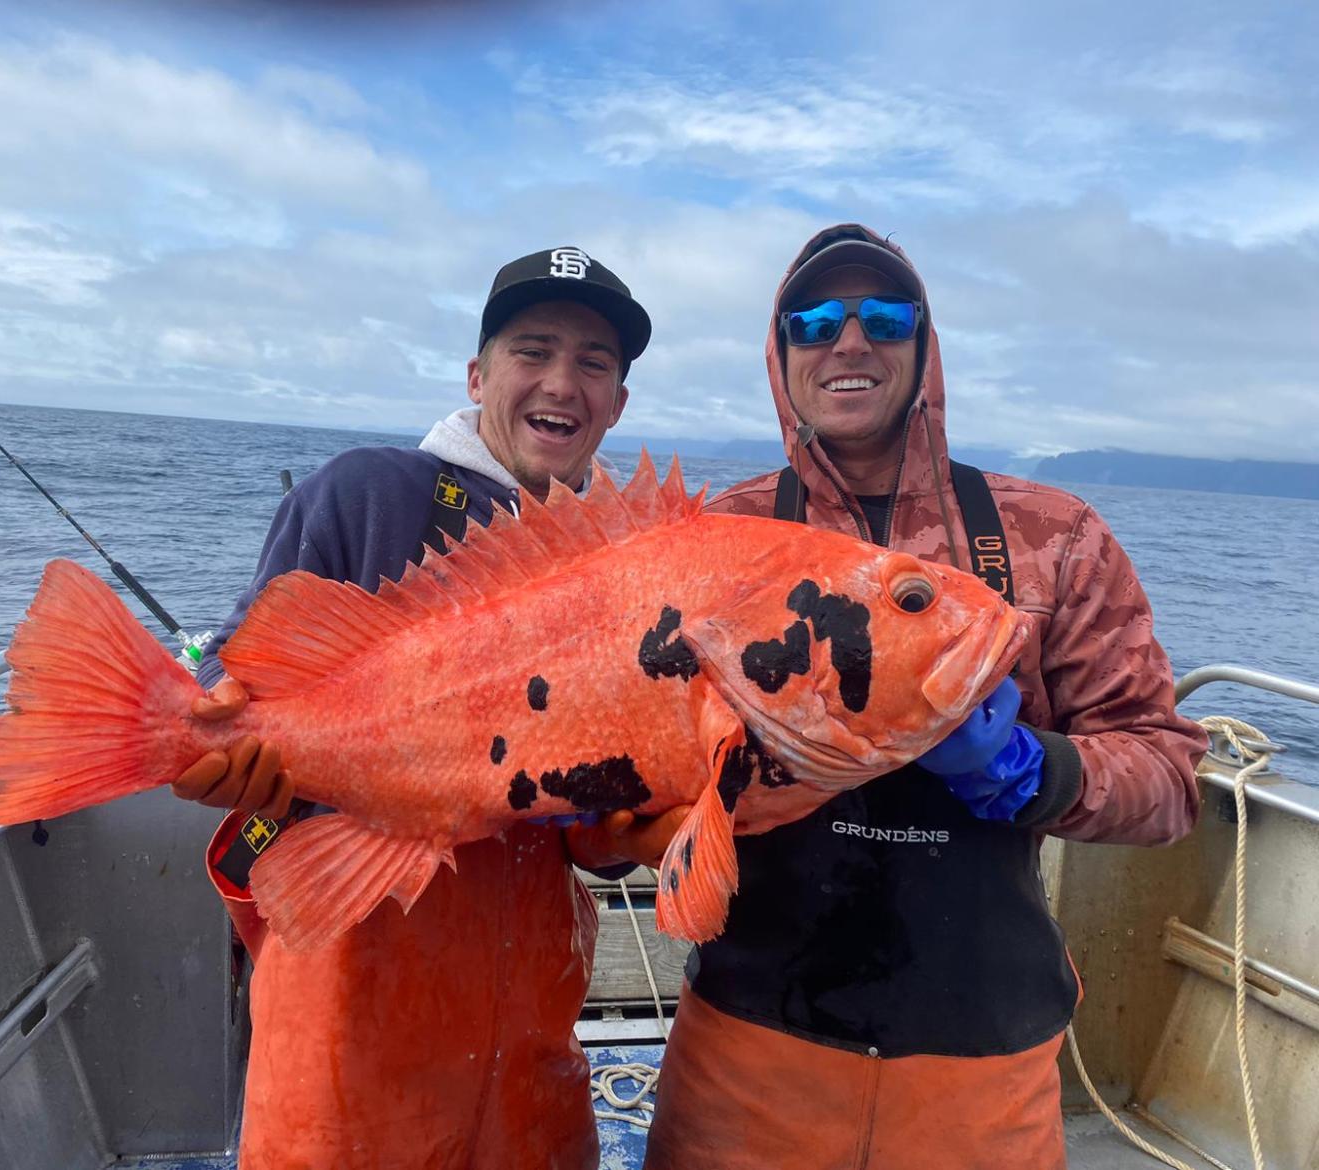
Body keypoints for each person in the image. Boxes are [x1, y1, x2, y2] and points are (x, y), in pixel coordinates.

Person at [642, 224, 1210, 1170]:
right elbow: (633, 753)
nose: (849, 342)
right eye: (814, 321)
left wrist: (1037, 770)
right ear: (780, 354)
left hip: (982, 1068)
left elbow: (1170, 776)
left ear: (925, 344)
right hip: (750, 1057)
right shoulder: (716, 536)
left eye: (885, 318)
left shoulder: (1054, 535)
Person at [167, 246, 682, 1170]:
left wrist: (623, 830)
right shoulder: (366, 495)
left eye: (594, 364)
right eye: (533, 350)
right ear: (479, 374)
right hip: (350, 997)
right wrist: (218, 715)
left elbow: (585, 811)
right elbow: (251, 667)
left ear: (617, 403)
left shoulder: (616, 567)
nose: (561, 382)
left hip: (532, 1018)